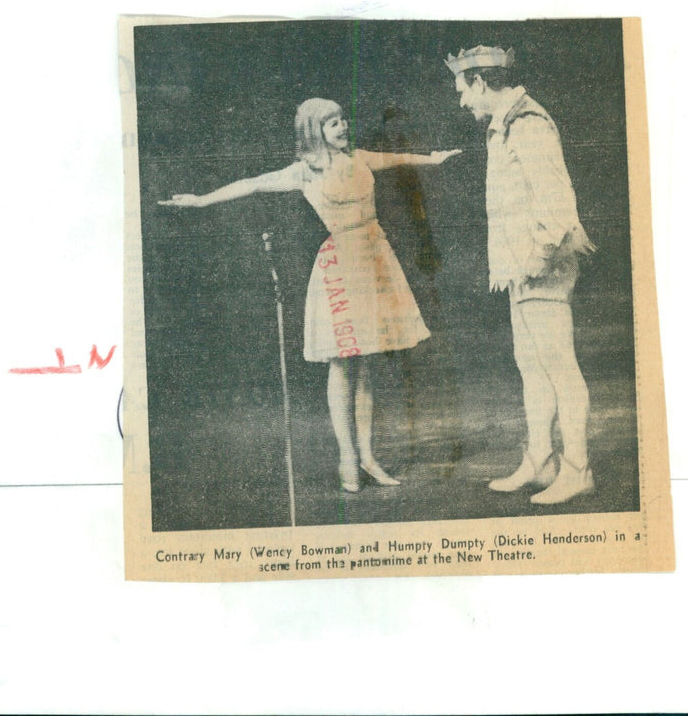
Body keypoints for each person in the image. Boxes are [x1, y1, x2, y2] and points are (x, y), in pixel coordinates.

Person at [160, 97, 461, 494]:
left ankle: (368, 457)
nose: (342, 127)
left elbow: (399, 158)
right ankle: (347, 458)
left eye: (342, 120)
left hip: (376, 261)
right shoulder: (303, 172)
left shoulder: (360, 158)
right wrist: (201, 200)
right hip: (340, 268)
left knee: (368, 362)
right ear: (312, 130)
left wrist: (434, 159)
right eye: (332, 123)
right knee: (343, 361)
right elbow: (252, 184)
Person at [445, 45, 596, 505]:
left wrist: (538, 258)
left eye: (462, 91)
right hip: (523, 268)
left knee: (559, 367)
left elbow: (554, 198)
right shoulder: (504, 125)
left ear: (481, 82)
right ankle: (540, 460)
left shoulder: (527, 122)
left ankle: (578, 468)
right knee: (531, 366)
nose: (462, 102)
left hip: (542, 264)